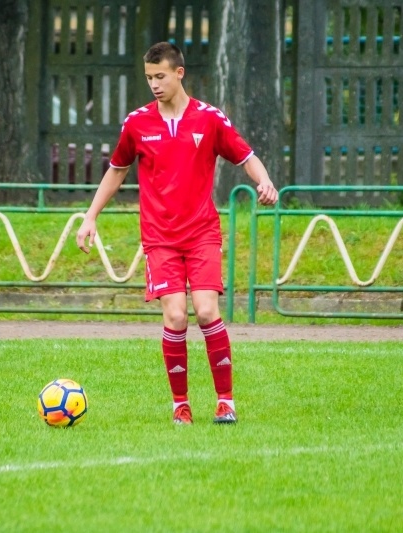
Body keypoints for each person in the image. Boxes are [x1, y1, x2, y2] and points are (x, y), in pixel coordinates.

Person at [75, 42, 278, 425]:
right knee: (175, 317)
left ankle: (226, 401)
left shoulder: (209, 118)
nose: (153, 83)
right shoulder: (137, 122)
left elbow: (245, 156)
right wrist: (90, 216)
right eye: (149, 77)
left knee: (205, 311)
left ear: (179, 73)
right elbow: (117, 169)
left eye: (160, 76)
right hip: (160, 237)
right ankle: (180, 406)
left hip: (201, 233)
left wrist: (264, 180)